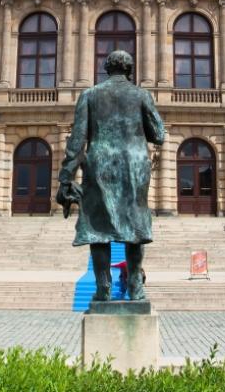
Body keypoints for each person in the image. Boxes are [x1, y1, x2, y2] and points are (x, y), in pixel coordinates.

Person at [57, 50, 165, 302]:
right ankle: (136, 287)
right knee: (135, 225)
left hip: (100, 165)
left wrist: (65, 177)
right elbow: (159, 134)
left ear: (106, 68)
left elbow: (77, 140)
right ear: (130, 70)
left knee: (98, 228)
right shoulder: (142, 95)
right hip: (134, 165)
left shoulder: (90, 95)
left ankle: (103, 288)